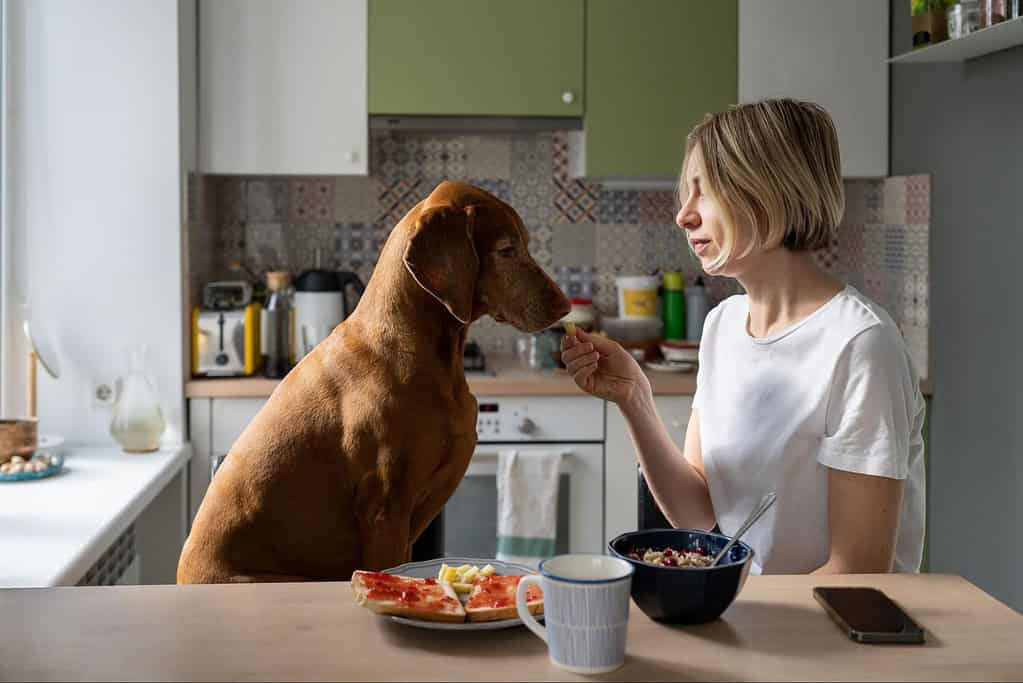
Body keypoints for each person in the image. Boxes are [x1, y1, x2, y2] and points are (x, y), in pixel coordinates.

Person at [562, 99, 926, 574]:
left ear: (768, 191)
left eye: (704, 192)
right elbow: (696, 510)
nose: (683, 215)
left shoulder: (860, 343)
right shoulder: (723, 325)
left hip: (835, 635)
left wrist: (739, 610)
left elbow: (856, 571)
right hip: (753, 616)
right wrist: (635, 396)